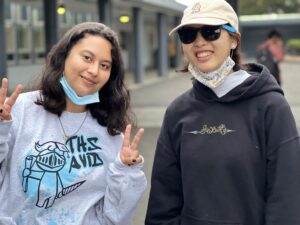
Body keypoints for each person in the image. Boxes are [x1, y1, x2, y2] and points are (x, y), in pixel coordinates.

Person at [145, 0, 300, 224]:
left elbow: (286, 198)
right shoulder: (177, 112)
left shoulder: (271, 106)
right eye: (188, 35)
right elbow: (164, 200)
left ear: (234, 40)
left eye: (211, 32)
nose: (199, 42)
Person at [0, 22, 147, 225]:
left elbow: (116, 217)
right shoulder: (20, 110)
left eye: (105, 65)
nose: (94, 70)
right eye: (87, 58)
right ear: (64, 56)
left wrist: (126, 170)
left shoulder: (111, 133)